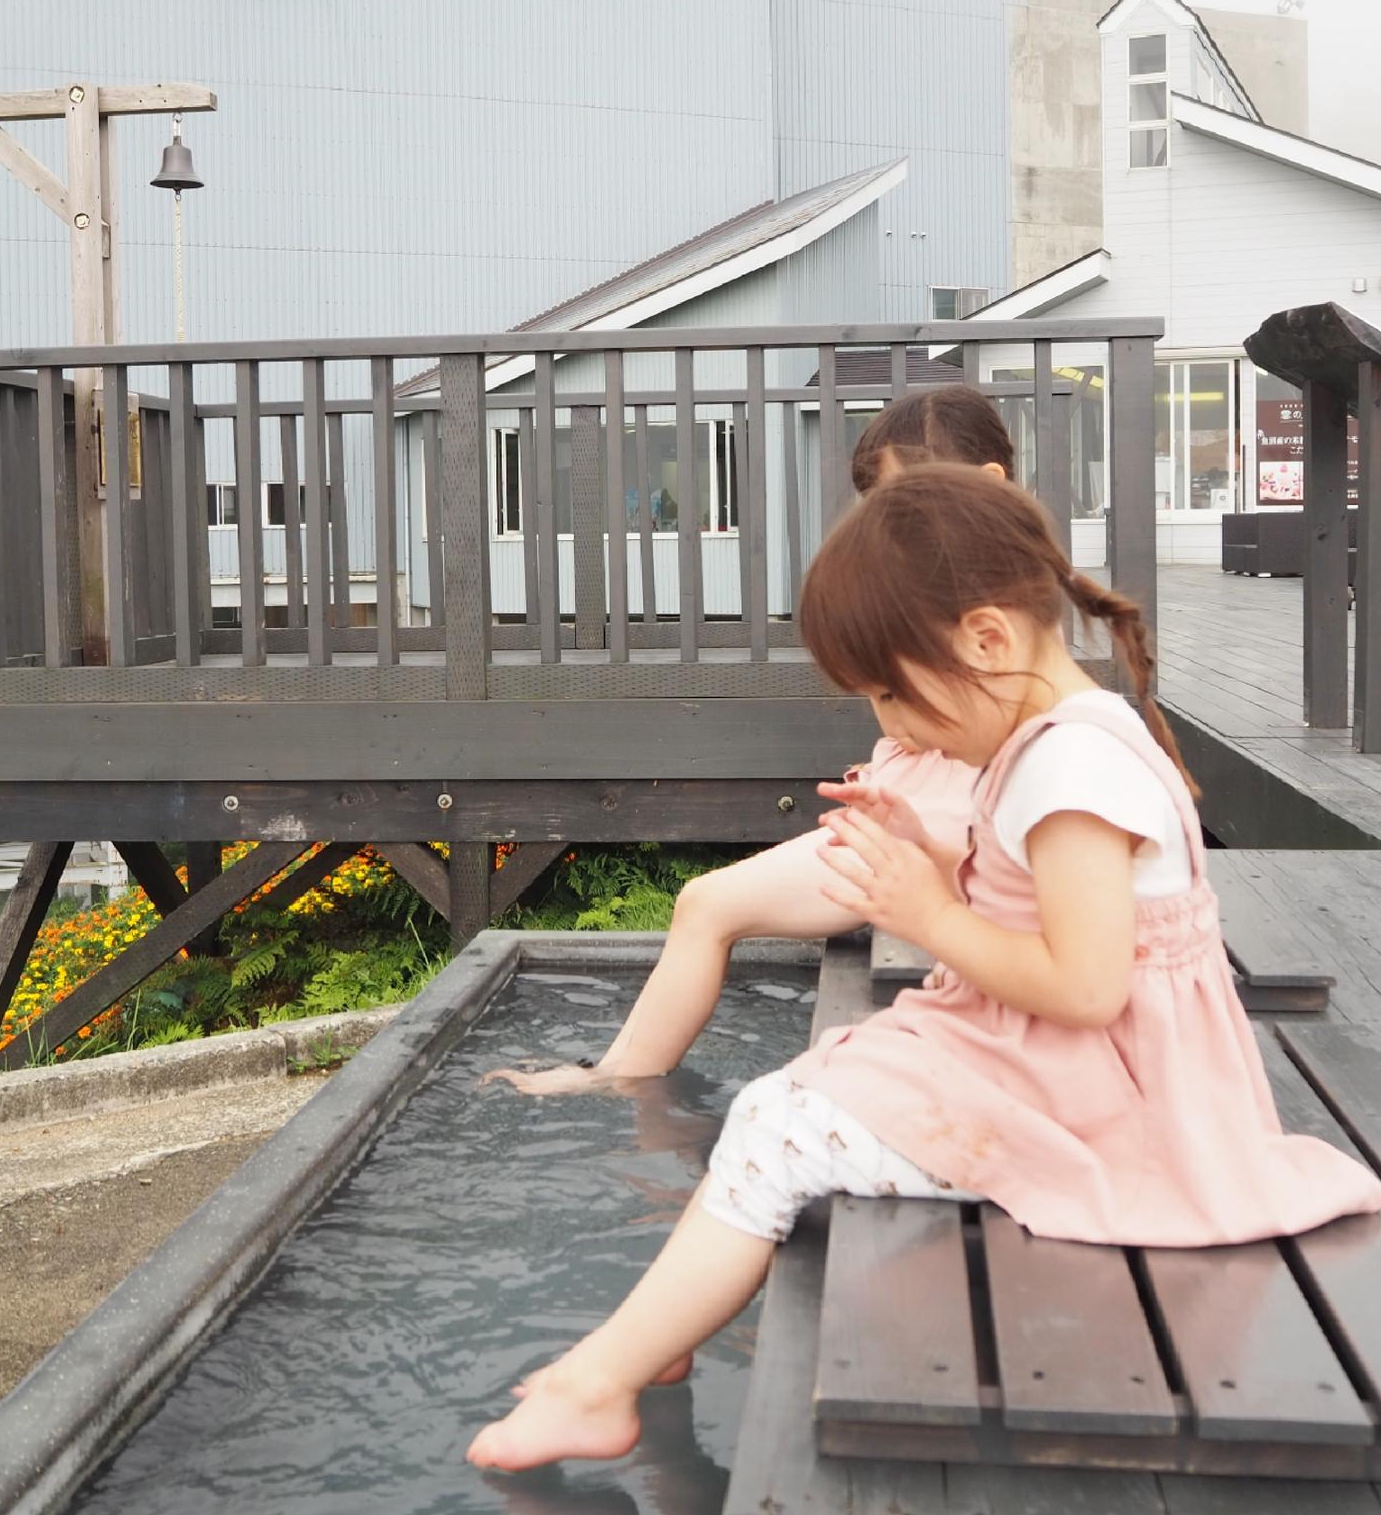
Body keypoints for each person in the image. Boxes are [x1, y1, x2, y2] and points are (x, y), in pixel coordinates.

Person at [466, 464, 1381, 1474]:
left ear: (986, 640)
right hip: (1061, 1061)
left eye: (893, 693)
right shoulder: (1063, 741)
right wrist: (931, 850)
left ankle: (594, 1385)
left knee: (774, 1127)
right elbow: (1047, 901)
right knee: (797, 1095)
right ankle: (663, 1328)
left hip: (1098, 1094)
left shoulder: (1071, 772)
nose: (893, 725)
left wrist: (928, 912)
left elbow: (1087, 986)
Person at [486, 386, 1012, 1095]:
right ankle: (617, 1075)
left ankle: (616, 1079)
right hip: (917, 809)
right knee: (704, 902)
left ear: (988, 490)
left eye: (905, 509)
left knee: (709, 904)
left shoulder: (996, 610)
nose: (886, 533)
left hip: (948, 830)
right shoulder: (965, 592)